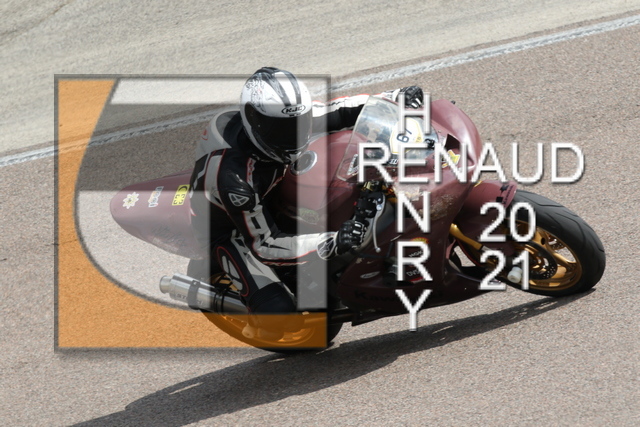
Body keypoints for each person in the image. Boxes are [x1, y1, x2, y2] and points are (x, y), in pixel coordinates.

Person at [189, 66, 423, 331]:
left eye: (299, 123)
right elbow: (265, 244)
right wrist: (333, 241)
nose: (294, 135)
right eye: (281, 129)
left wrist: (394, 98)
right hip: (233, 230)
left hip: (272, 190)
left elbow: (340, 109)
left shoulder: (289, 119)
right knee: (279, 316)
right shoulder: (236, 181)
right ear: (255, 120)